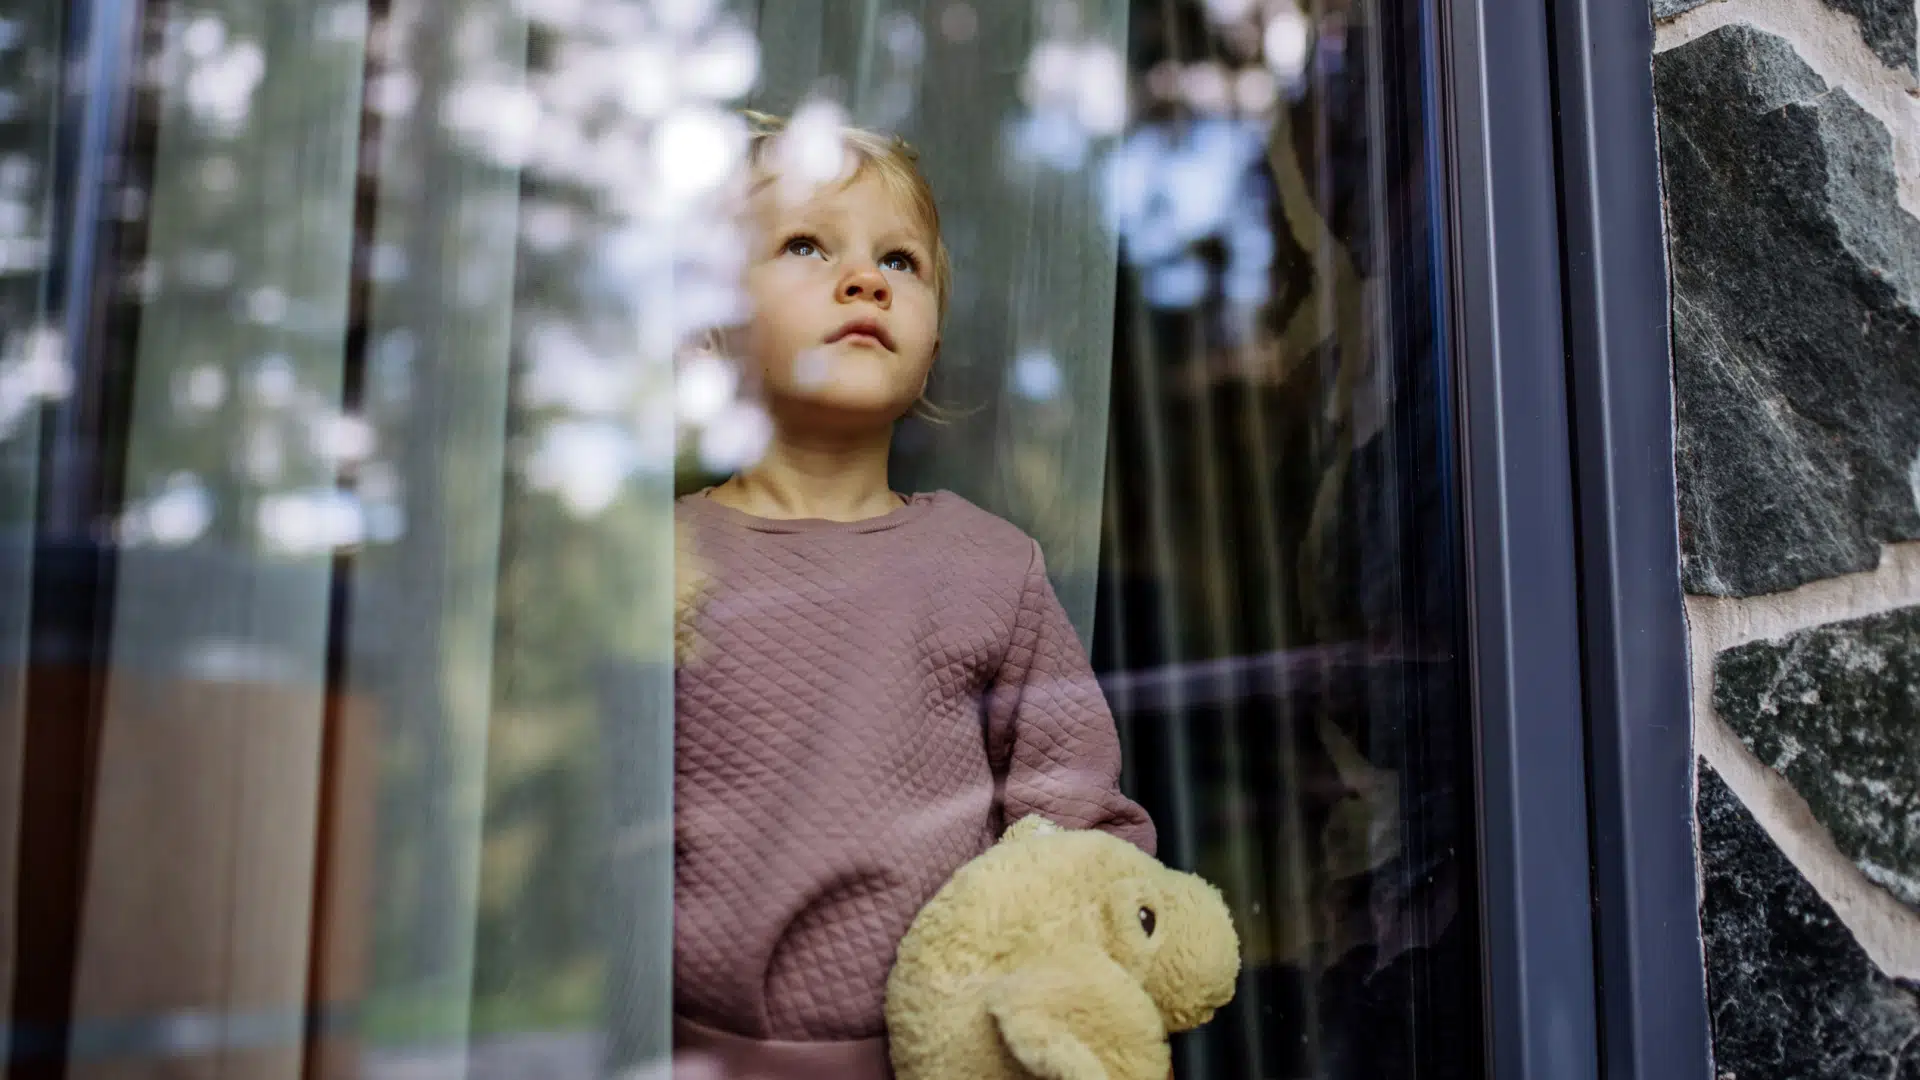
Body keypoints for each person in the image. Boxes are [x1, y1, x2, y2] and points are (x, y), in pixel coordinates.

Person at [671, 112, 1156, 1078]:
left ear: (930, 347)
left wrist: (1072, 992)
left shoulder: (988, 566)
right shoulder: (664, 562)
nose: (865, 279)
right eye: (806, 245)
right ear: (712, 324)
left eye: (902, 262)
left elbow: (1073, 821)